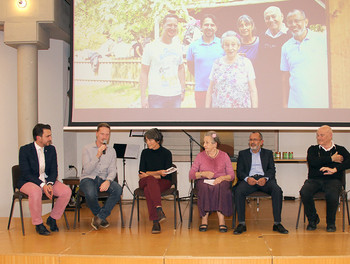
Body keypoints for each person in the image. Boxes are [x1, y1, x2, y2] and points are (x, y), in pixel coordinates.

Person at [18, 123, 71, 235]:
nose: (50, 139)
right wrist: (43, 185)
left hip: (47, 181)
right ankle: (38, 224)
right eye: (48, 136)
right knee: (36, 191)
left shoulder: (51, 149)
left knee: (66, 191)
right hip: (29, 182)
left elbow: (54, 170)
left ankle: (52, 218)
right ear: (38, 137)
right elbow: (26, 173)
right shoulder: (25, 150)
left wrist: (50, 184)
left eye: (50, 135)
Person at [233, 132, 288, 235]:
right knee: (239, 191)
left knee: (277, 190)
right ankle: (241, 223)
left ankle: (277, 223)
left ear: (261, 142)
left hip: (264, 180)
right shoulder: (243, 153)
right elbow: (240, 171)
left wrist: (266, 178)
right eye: (250, 140)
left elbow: (272, 170)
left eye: (255, 140)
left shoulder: (268, 153)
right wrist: (247, 178)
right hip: (250, 180)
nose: (252, 142)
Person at [300, 125, 350, 232]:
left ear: (330, 136)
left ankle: (331, 223)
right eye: (317, 135)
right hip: (314, 180)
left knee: (332, 194)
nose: (319, 138)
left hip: (333, 180)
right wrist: (332, 158)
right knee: (304, 192)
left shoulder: (340, 149)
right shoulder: (313, 149)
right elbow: (313, 162)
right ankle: (313, 219)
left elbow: (348, 162)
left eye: (322, 135)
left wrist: (335, 169)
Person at [281, 9, 329, 108]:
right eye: (290, 22)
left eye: (297, 20)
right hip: (296, 105)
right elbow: (284, 77)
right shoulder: (286, 47)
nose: (293, 24)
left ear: (306, 22)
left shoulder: (322, 40)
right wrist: (285, 103)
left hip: (321, 103)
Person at [189, 131, 235, 232]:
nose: (204, 145)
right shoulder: (200, 156)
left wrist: (222, 178)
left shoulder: (224, 156)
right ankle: (204, 221)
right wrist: (202, 174)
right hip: (204, 181)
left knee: (222, 187)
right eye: (204, 142)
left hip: (221, 181)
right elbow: (191, 174)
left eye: (207, 142)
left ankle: (221, 222)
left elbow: (231, 175)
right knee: (205, 187)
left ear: (215, 144)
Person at [80, 122, 122, 230]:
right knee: (90, 193)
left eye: (107, 134)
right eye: (102, 134)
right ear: (96, 134)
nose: (105, 137)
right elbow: (87, 169)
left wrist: (108, 181)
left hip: (103, 179)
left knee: (117, 189)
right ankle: (100, 216)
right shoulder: (87, 148)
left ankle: (99, 217)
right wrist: (97, 155)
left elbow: (113, 170)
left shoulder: (112, 151)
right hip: (88, 178)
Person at [140, 14, 186, 108]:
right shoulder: (151, 47)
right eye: (169, 25)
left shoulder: (178, 47)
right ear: (163, 26)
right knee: (157, 122)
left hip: (175, 95)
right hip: (156, 96)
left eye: (175, 25)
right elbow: (144, 72)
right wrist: (143, 96)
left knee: (174, 122)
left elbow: (181, 68)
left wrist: (182, 89)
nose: (172, 28)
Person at [206, 31, 258, 108]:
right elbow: (210, 90)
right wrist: (207, 109)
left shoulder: (246, 63)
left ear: (238, 46)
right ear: (222, 47)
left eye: (233, 45)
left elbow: (253, 90)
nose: (230, 48)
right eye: (227, 45)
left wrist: (254, 111)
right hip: (220, 111)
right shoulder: (217, 64)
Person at [138, 128, 173, 234]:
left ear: (157, 140)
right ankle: (159, 209)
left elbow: (165, 176)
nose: (147, 142)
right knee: (150, 180)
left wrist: (149, 174)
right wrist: (157, 173)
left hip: (163, 182)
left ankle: (155, 222)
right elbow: (141, 174)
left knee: (149, 189)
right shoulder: (144, 153)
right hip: (145, 181)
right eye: (146, 140)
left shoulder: (167, 153)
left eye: (149, 140)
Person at [186, 14, 224, 108]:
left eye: (212, 25)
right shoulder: (193, 46)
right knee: (202, 119)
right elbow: (191, 67)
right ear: (201, 27)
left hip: (220, 90)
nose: (209, 27)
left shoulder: (223, 44)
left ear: (216, 27)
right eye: (206, 25)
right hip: (201, 90)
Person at [257, 6, 291, 109]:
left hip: (286, 87)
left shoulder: (290, 35)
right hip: (266, 88)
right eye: (267, 18)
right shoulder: (262, 37)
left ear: (281, 16)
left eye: (273, 16)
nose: (271, 20)